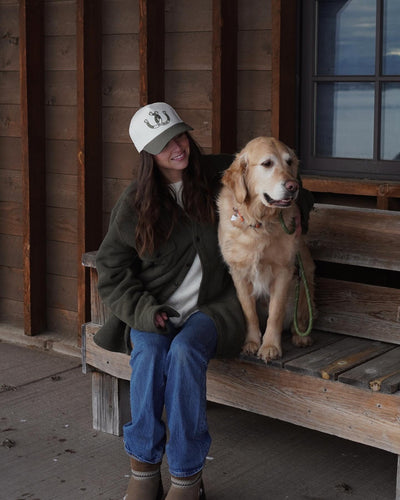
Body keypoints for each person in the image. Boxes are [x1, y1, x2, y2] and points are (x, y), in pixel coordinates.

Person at [94, 102, 314, 500]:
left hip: (216, 307)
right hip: (156, 310)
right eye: (164, 144)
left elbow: (291, 189)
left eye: (180, 136)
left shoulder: (217, 175)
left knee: (185, 352)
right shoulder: (133, 205)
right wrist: (145, 312)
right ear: (148, 154)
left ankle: (186, 477)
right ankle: (143, 470)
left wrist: (264, 213)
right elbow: (111, 272)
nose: (177, 147)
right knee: (148, 353)